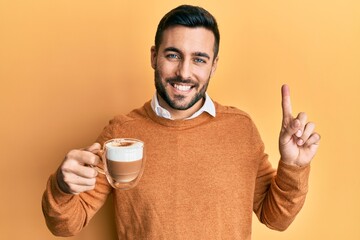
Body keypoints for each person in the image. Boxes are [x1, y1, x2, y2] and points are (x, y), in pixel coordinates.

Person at [42, 5, 321, 239]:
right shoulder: (121, 133)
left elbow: (276, 218)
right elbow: (67, 224)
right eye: (173, 55)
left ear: (213, 65)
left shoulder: (240, 129)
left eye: (199, 59)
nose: (183, 72)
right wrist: (62, 187)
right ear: (154, 57)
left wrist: (294, 166)